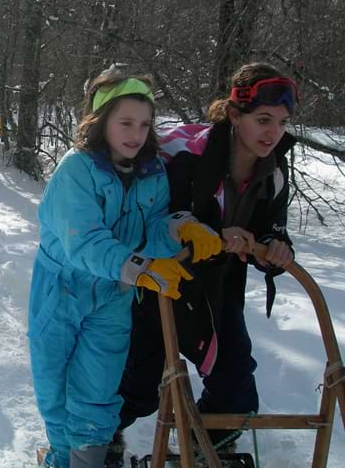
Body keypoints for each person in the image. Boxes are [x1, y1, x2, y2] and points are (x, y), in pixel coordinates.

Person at [28, 70, 222, 468]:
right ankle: (61, 459)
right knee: (57, 391)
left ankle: (85, 462)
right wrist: (142, 269)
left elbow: (149, 229)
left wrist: (180, 227)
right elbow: (84, 242)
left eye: (146, 123)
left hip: (113, 299)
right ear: (101, 122)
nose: (136, 133)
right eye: (126, 123)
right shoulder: (76, 170)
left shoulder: (151, 171)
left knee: (98, 391)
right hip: (61, 293)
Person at [117, 63, 297, 452]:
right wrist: (211, 232)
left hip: (216, 288)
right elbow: (146, 216)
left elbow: (270, 227)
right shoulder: (184, 152)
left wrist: (273, 246)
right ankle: (95, 440)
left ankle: (208, 447)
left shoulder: (274, 172)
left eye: (282, 122)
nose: (273, 133)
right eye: (263, 119)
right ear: (234, 115)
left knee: (235, 380)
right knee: (137, 385)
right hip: (159, 281)